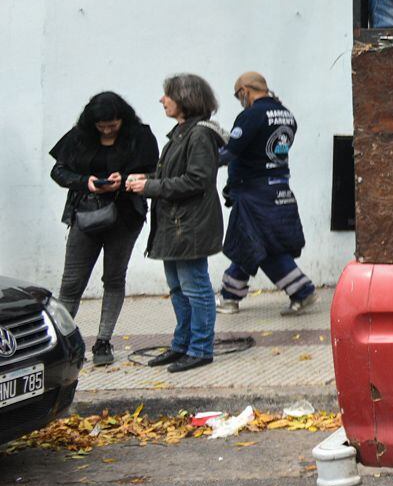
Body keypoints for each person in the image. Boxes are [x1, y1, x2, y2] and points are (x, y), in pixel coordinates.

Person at [125, 74, 228, 374]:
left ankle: (200, 348)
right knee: (178, 289)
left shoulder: (199, 135)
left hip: (189, 226)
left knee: (195, 288)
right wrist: (148, 180)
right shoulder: (183, 132)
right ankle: (182, 344)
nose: (162, 100)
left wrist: (150, 188)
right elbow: (176, 176)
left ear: (184, 98)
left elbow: (197, 180)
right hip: (175, 225)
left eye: (167, 95)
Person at [48, 92, 159, 366]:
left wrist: (126, 179)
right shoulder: (79, 135)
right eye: (102, 126)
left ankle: (103, 341)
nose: (108, 130)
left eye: (113, 124)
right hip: (85, 213)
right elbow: (58, 171)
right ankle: (62, 341)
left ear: (122, 118)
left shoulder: (140, 136)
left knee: (113, 278)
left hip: (124, 216)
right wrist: (86, 181)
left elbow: (157, 172)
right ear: (92, 123)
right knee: (71, 282)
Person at [217, 72, 317, 315]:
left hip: (254, 190)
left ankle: (302, 291)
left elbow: (231, 152)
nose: (239, 99)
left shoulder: (251, 115)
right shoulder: (287, 115)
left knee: (260, 243)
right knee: (251, 240)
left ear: (245, 90)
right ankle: (230, 296)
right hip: (279, 188)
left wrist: (201, 160)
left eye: (238, 95)